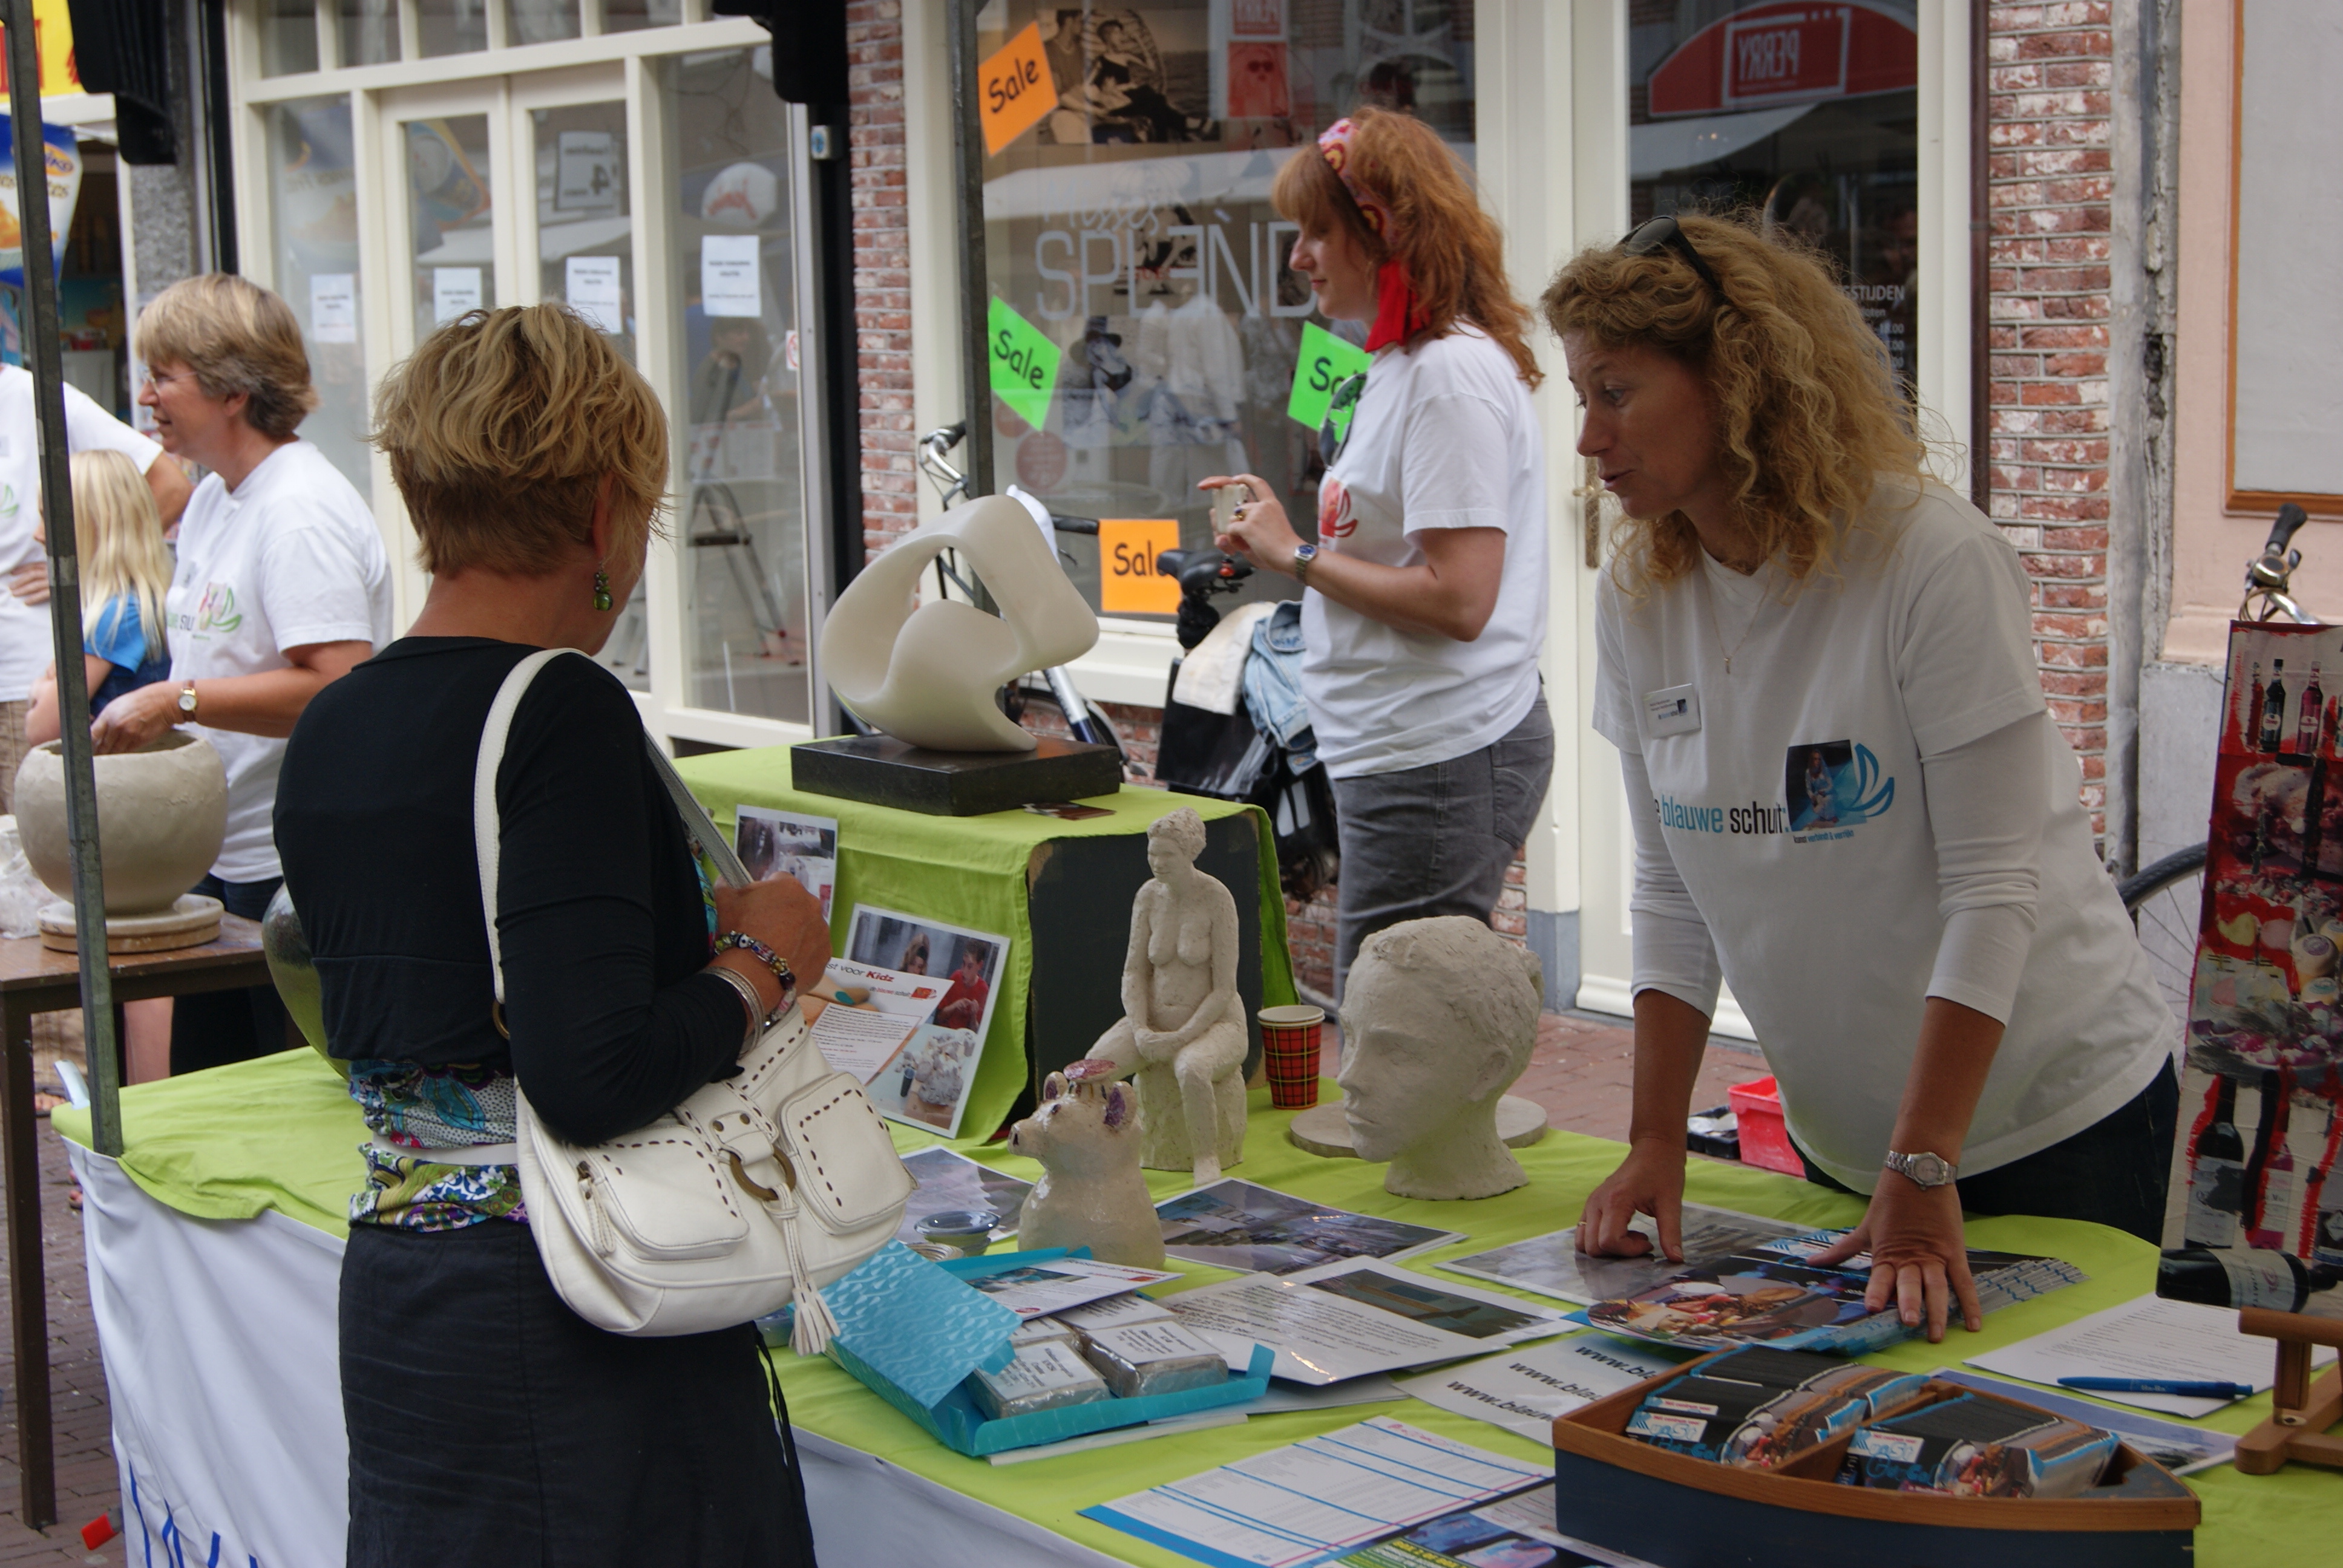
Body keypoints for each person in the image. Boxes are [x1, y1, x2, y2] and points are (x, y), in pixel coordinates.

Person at [1550, 212, 2177, 1343]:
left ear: (1732, 381)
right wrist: (1652, 1141)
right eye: (1579, 398)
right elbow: (1670, 891)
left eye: (1616, 392)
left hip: (2048, 1128)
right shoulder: (1639, 593)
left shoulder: (1928, 560)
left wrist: (1925, 1156)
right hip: (1858, 1155)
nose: (1588, 439)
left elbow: (1993, 890)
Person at [275, 302, 833, 1566]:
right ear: (599, 511)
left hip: (410, 1289)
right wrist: (766, 961)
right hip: (581, 1298)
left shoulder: (334, 724)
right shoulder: (562, 710)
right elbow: (593, 1076)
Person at [1204, 106, 1553, 997]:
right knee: (1401, 1025)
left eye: (1317, 232)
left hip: (1437, 752)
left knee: (1396, 1030)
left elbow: (1459, 600)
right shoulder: (1403, 366)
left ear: (1382, 229)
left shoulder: (1446, 374)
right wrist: (1292, 537)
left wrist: (1297, 557)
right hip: (1403, 749)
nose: (1298, 257)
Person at [103, 275, 392, 1076]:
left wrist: (179, 699)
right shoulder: (213, 501)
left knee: (287, 1085)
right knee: (213, 1087)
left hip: (290, 863)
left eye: (164, 375)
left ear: (232, 389)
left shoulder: (297, 511)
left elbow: (337, 685)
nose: (146, 394)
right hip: (219, 854)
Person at [24, 449, 179, 1086]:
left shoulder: (112, 614)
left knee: (138, 962)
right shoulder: (137, 602)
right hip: (139, 802)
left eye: (48, 518)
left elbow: (44, 721)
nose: (37, 536)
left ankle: (144, 1110)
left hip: (124, 808)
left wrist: (46, 681)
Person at [0, 361, 191, 811]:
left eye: (48, 521)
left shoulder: (30, 396)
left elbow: (169, 485)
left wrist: (76, 572)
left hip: (21, 678)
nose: (38, 535)